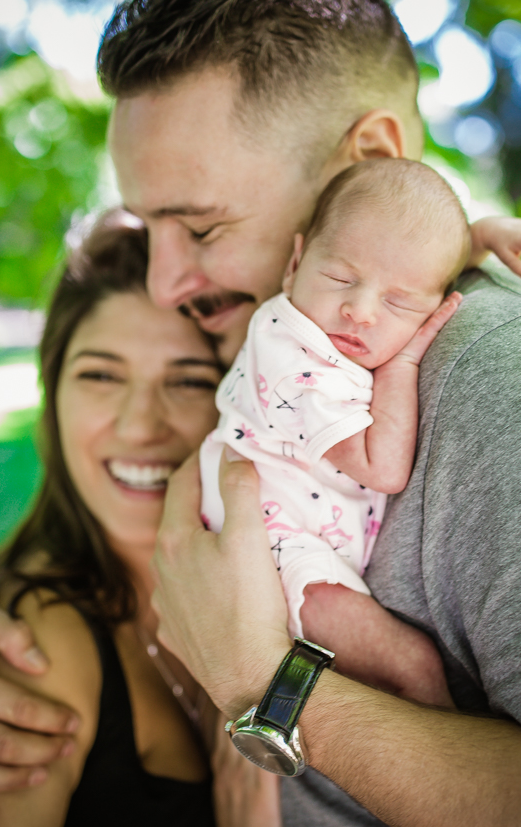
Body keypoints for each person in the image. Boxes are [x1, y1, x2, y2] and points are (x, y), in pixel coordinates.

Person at [0, 0, 521, 827]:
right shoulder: (290, 344)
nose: (165, 283)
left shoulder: (511, 392)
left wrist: (270, 688)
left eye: (196, 226)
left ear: (370, 158)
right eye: (150, 232)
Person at [0, 211, 281, 827]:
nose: (139, 424)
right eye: (100, 375)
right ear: (52, 396)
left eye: (187, 381)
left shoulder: (258, 586)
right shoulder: (19, 653)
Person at [200, 158, 467, 704]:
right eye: (340, 278)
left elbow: (403, 250)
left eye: (398, 302)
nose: (360, 310)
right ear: (294, 263)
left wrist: (483, 236)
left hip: (293, 530)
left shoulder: (330, 314)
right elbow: (384, 468)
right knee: (411, 664)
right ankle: (461, 766)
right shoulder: (296, 350)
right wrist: (403, 362)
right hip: (272, 546)